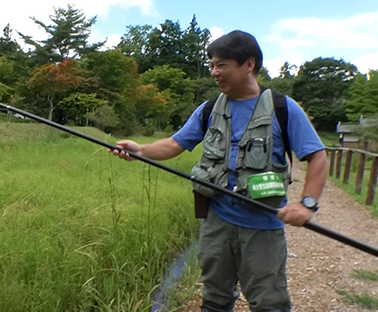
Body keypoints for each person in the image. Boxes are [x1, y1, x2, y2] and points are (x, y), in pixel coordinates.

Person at [109, 30, 327, 312]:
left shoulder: (283, 108)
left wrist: (307, 204)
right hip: (216, 222)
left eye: (222, 64)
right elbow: (176, 143)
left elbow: (317, 156)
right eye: (212, 64)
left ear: (249, 65)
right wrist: (141, 151)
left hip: (262, 227)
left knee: (269, 303)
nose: (214, 72)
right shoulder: (209, 109)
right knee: (214, 298)